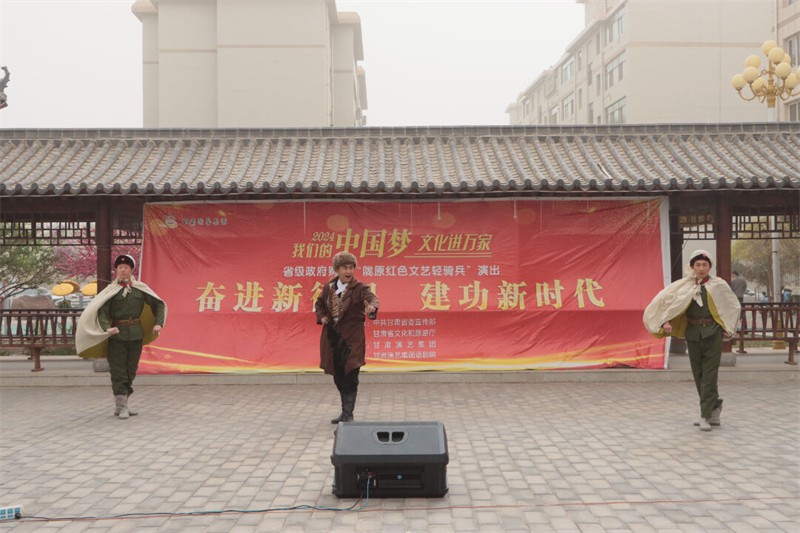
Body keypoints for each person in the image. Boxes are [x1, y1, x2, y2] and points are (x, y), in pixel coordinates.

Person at [643, 250, 740, 431]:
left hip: (713, 333)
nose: (701, 268)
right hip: (693, 334)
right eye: (698, 265)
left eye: (704, 265)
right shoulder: (684, 286)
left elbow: (732, 305)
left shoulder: (718, 285)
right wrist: (665, 321)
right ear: (692, 267)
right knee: (698, 374)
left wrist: (726, 327)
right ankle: (715, 407)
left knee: (709, 375)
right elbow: (670, 304)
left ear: (710, 266)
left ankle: (705, 415)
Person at [76, 254, 167, 419]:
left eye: (126, 267)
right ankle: (121, 406)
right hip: (117, 336)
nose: (123, 270)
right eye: (120, 268)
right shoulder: (111, 291)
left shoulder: (140, 288)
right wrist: (107, 328)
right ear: (116, 270)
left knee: (131, 370)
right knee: (118, 371)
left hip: (136, 335)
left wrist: (158, 323)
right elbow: (101, 311)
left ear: (131, 270)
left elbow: (158, 304)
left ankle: (123, 403)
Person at [315, 252, 379, 424]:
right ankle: (345, 412)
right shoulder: (328, 287)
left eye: (351, 267)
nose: (348, 271)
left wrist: (372, 307)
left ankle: (348, 414)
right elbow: (319, 305)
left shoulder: (360, 288)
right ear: (337, 269)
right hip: (333, 340)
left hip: (352, 340)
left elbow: (372, 299)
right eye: (345, 268)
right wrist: (322, 317)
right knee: (338, 376)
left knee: (350, 375)